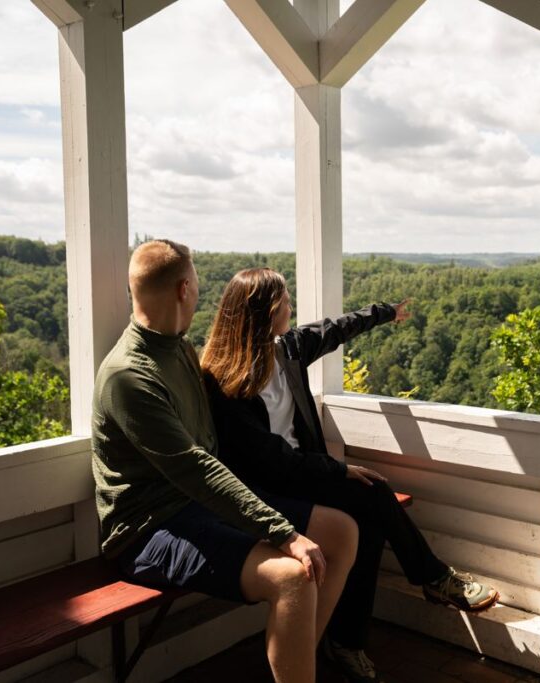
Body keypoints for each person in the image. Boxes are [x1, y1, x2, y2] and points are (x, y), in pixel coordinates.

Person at [200, 267, 500, 683]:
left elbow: (334, 329)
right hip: (265, 494)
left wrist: (385, 313)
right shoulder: (224, 383)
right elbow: (270, 461)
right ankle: (431, 580)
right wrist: (338, 470)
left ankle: (348, 642)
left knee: (369, 515)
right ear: (269, 310)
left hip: (302, 474)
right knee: (373, 495)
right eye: (286, 301)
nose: (291, 307)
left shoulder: (284, 349)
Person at [91, 241, 358, 683]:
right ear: (184, 289)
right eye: (195, 280)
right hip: (151, 528)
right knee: (293, 576)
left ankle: (294, 662)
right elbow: (194, 467)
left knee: (342, 532)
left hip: (198, 506)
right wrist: (285, 534)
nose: (199, 288)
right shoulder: (130, 375)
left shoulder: (176, 345)